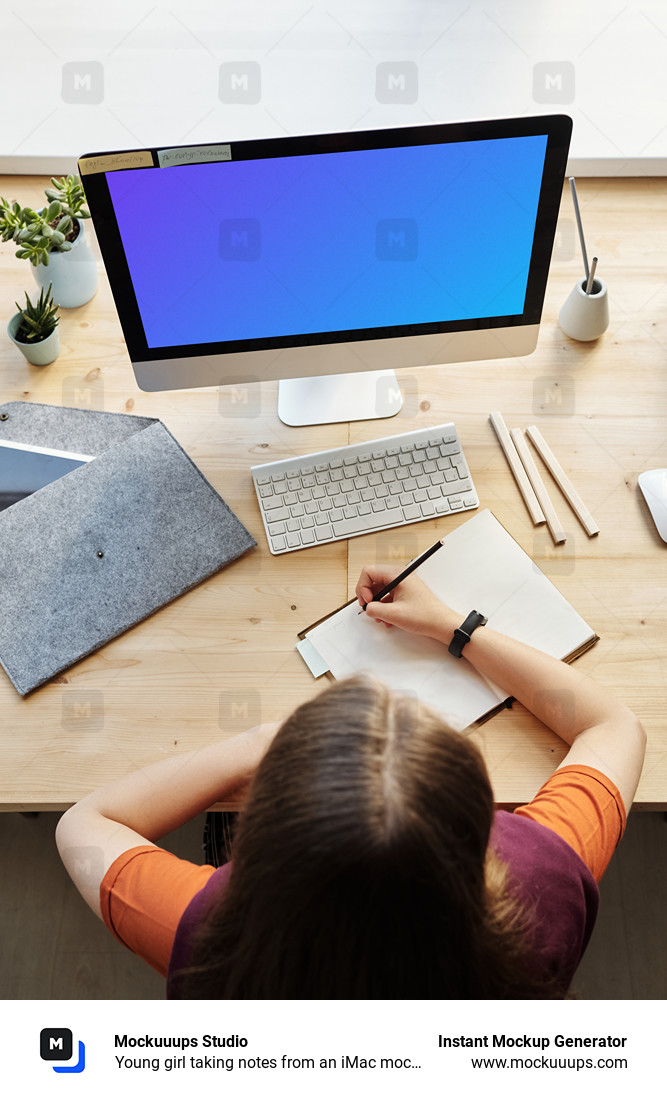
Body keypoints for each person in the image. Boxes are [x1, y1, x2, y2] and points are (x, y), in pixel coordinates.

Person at [56, 565, 645, 998]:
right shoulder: (541, 886)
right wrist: (452, 626)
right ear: (481, 829)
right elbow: (611, 724)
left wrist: (259, 743)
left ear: (259, 842)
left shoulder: (214, 940)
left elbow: (83, 825)